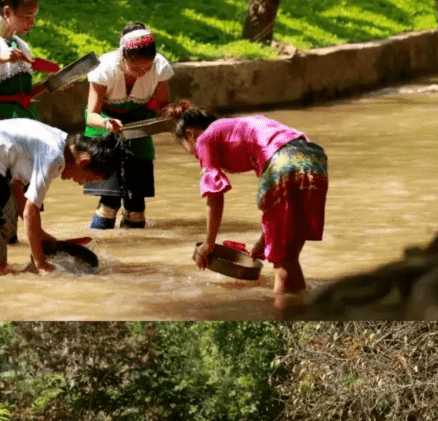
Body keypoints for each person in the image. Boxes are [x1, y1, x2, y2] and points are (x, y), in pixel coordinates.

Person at [171, 103, 328, 296]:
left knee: (283, 262)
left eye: (192, 152)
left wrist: (209, 244)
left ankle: (284, 313)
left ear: (191, 135)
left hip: (284, 162)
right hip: (313, 158)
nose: (197, 157)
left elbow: (215, 195)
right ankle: (302, 307)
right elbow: (276, 199)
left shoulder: (204, 138)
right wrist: (263, 242)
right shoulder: (239, 128)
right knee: (290, 256)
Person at [0, 119, 119, 278]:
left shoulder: (57, 142)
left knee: (1, 235)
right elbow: (30, 212)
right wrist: (41, 264)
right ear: (84, 162)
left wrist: (39, 234)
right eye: (87, 179)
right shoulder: (53, 157)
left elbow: (17, 187)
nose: (81, 184)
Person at [84, 23, 173, 229]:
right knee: (110, 199)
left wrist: (172, 114)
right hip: (104, 120)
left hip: (138, 121)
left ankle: (135, 236)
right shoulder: (104, 68)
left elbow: (164, 106)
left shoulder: (160, 67)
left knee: (136, 202)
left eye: (147, 67)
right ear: (122, 58)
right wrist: (108, 123)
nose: (141, 73)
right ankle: (102, 231)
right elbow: (92, 115)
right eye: (135, 68)